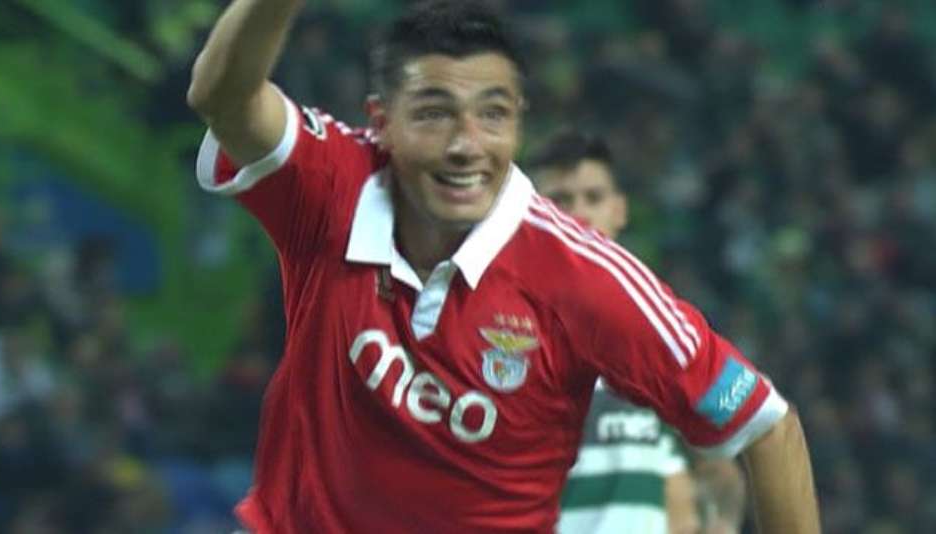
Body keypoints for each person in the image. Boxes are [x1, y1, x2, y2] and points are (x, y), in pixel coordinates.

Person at [186, 1, 820, 532]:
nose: (466, 146)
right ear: (382, 123)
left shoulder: (584, 279)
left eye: (492, 114)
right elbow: (222, 97)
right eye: (434, 113)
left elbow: (765, 425)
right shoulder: (332, 188)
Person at [530, 130, 746, 534]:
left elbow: (721, 462)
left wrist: (720, 522)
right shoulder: (500, 337)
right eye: (560, 200)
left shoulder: (663, 336)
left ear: (619, 210)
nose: (579, 214)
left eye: (594, 198)